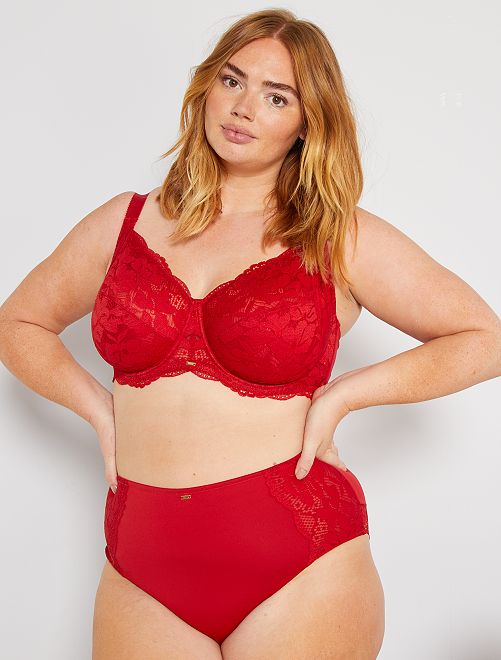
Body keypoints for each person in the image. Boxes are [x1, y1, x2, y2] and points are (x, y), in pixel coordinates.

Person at [1, 8, 500, 660]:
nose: (243, 108)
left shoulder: (336, 235)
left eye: (276, 97)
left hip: (298, 560)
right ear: (207, 86)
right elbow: (19, 323)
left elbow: (482, 338)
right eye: (232, 81)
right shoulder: (122, 223)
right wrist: (97, 408)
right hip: (141, 558)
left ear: (306, 123)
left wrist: (344, 395)